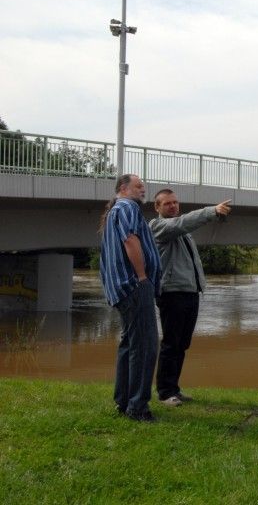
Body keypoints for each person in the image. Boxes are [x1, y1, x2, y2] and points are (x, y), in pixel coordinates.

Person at [149, 190, 233, 407]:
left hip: (189, 292)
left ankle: (173, 388)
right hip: (171, 292)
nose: (173, 206)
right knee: (171, 343)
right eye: (167, 204)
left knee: (182, 344)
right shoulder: (158, 227)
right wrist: (211, 211)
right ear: (157, 208)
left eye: (175, 202)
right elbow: (182, 223)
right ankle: (165, 392)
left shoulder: (182, 231)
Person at [99, 174, 162, 422]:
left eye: (144, 187)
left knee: (130, 345)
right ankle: (138, 407)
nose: (143, 190)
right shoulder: (127, 208)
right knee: (146, 347)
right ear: (124, 189)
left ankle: (124, 401)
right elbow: (130, 241)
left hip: (124, 287)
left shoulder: (117, 210)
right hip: (134, 286)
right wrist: (143, 277)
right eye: (138, 187)